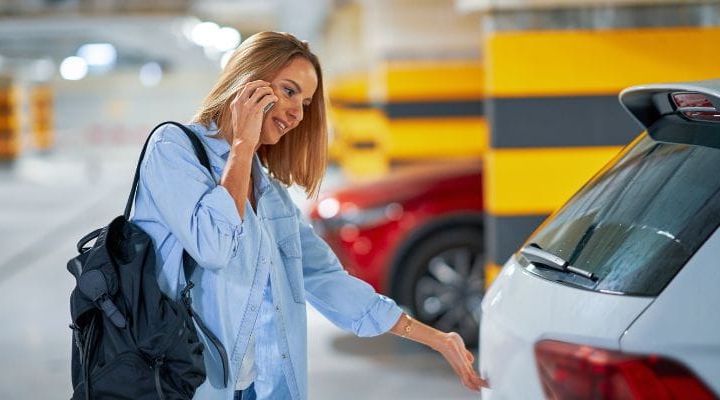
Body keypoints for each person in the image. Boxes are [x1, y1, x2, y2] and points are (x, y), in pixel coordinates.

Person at [132, 31, 487, 400]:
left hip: (251, 388)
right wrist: (242, 146)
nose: (297, 113)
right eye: (289, 91)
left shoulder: (270, 194)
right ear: (248, 83)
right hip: (184, 387)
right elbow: (214, 246)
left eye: (304, 102)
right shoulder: (172, 151)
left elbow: (326, 278)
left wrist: (436, 337)